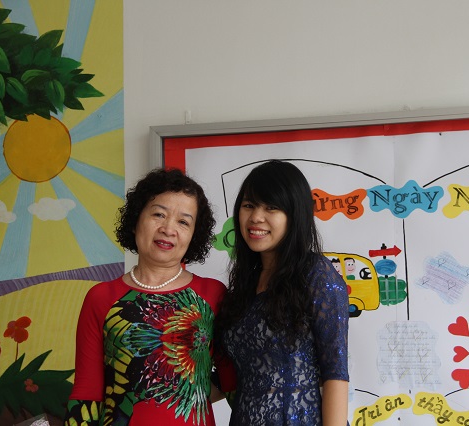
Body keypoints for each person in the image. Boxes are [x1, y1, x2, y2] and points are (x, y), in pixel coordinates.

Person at [64, 168, 226, 426]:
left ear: (194, 234)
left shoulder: (213, 295)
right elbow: (87, 392)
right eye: (159, 214)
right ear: (136, 219)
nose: (168, 229)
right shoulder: (100, 297)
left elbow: (234, 379)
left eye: (183, 222)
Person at [214, 160, 349, 425]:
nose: (256, 217)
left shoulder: (315, 273)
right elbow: (236, 377)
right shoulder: (243, 285)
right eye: (249, 205)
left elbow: (335, 372)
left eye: (271, 207)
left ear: (294, 215)